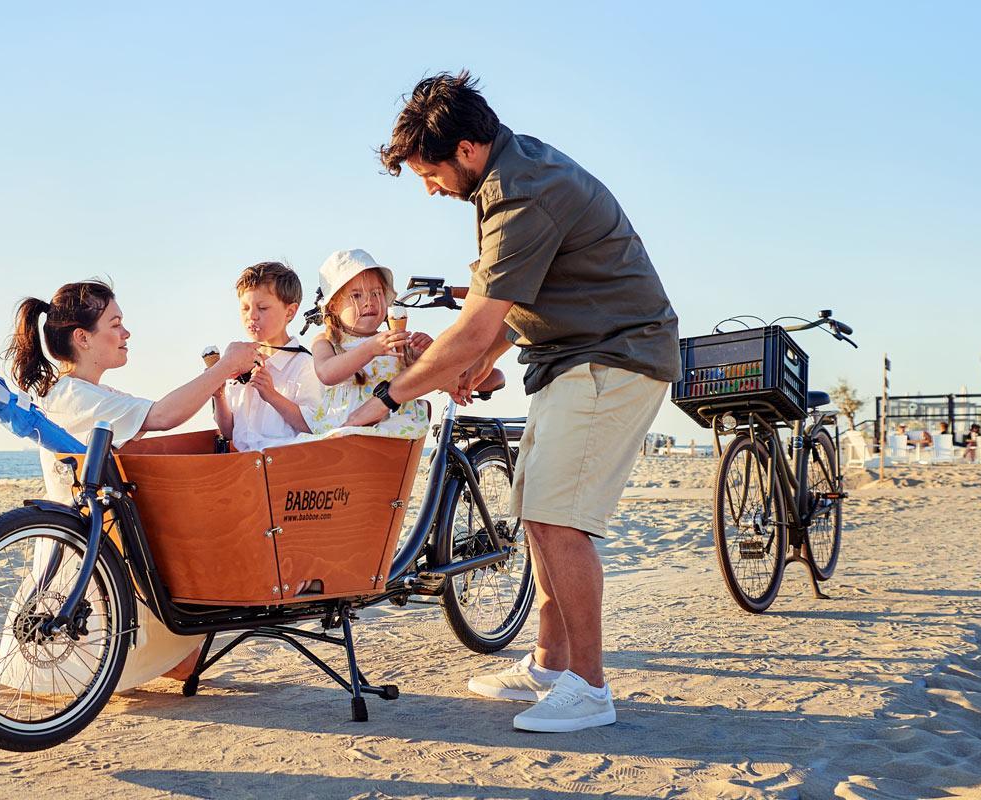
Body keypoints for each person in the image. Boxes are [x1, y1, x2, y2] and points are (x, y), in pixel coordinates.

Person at [347, 72, 679, 732]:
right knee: (536, 509)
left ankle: (589, 688)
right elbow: (510, 304)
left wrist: (387, 397)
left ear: (466, 149)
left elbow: (473, 323)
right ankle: (553, 667)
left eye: (429, 172)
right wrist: (480, 362)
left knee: (560, 518)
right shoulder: (506, 174)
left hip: (614, 354)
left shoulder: (523, 191)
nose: (429, 187)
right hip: (571, 357)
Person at [5, 279, 260, 691]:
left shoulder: (83, 391)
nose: (126, 334)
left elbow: (146, 433)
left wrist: (217, 393)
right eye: (116, 323)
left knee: (189, 654)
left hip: (89, 548)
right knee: (188, 657)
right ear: (83, 338)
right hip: (92, 558)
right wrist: (224, 368)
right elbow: (161, 416)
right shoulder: (77, 396)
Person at [304, 249, 435, 439]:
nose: (369, 302)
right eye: (356, 296)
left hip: (393, 428)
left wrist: (424, 356)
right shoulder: (327, 340)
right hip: (345, 427)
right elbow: (326, 373)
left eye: (376, 293)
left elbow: (436, 381)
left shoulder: (393, 340)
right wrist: (370, 349)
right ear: (334, 306)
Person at [212, 262, 321, 452]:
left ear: (290, 312)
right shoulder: (238, 363)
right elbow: (229, 431)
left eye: (262, 308)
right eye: (245, 308)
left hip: (285, 468)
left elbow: (315, 426)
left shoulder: (304, 365)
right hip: (243, 466)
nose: (252, 316)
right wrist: (219, 395)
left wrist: (271, 395)